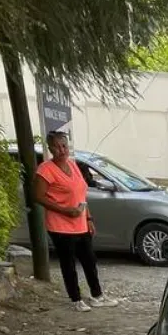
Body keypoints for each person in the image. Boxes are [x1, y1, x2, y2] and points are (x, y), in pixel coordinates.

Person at [32, 131, 121, 310]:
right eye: (56, 147)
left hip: (80, 223)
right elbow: (38, 196)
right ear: (50, 149)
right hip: (61, 225)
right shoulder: (45, 169)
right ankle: (76, 299)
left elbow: (81, 195)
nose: (61, 150)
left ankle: (97, 295)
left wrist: (88, 218)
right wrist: (65, 210)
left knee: (89, 260)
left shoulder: (73, 165)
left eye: (64, 146)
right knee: (68, 263)